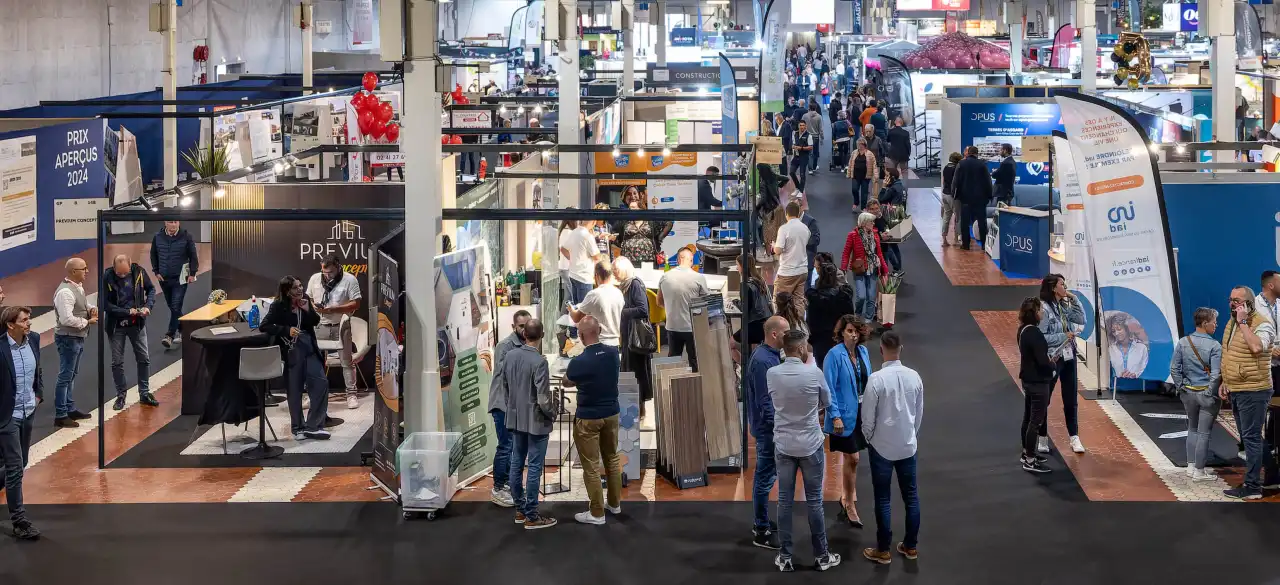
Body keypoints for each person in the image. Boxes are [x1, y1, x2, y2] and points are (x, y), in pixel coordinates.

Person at [767, 329, 841, 572]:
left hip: (784, 445)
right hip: (810, 444)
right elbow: (827, 403)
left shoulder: (772, 374)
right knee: (814, 501)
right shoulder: (814, 374)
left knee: (785, 501)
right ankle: (821, 556)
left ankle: (785, 556)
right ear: (800, 349)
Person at [861, 331, 923, 565]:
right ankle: (911, 546)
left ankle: (883, 550)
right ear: (901, 349)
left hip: (882, 448)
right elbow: (918, 414)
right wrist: (911, 435)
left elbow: (867, 418)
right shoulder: (915, 377)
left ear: (881, 350)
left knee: (883, 499)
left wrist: (870, 439)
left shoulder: (876, 380)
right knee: (912, 497)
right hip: (908, 446)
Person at [562, 316, 623, 525]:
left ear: (580, 335)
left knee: (591, 466)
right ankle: (614, 504)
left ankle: (597, 513)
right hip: (612, 413)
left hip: (588, 417)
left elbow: (567, 380)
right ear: (599, 330)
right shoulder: (614, 353)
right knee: (612, 459)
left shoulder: (579, 361)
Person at [1219, 286, 1276, 499]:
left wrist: (1243, 322)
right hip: (1237, 387)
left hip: (1255, 389)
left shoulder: (1263, 324)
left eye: (1237, 300)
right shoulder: (1231, 322)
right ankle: (1274, 477)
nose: (1232, 304)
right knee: (1249, 437)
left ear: (1249, 303)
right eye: (1230, 299)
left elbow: (1256, 348)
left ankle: (1252, 488)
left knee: (1250, 437)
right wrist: (1225, 380)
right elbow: (1229, 353)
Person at [261, 276, 331, 440]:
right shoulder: (278, 305)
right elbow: (265, 325)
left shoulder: (305, 299)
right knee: (295, 389)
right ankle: (298, 428)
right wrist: (286, 330)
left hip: (309, 345)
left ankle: (313, 426)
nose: (300, 290)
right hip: (292, 349)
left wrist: (307, 310)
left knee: (321, 382)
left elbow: (315, 320)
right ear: (287, 291)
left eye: (300, 286)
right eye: (295, 288)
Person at [502, 319, 557, 528]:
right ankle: (532, 516)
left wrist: (513, 408)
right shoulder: (539, 361)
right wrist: (552, 413)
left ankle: (520, 509)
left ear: (524, 334)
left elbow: (505, 387)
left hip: (516, 419)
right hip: (536, 421)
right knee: (534, 467)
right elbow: (543, 398)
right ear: (541, 336)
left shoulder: (510, 355)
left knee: (517, 463)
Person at [823, 314, 871, 527]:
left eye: (856, 331)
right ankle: (849, 502)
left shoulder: (863, 352)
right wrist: (835, 416)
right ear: (842, 332)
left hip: (863, 411)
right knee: (854, 458)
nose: (853, 335)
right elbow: (828, 388)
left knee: (852, 459)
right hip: (843, 414)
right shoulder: (834, 355)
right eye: (849, 331)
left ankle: (846, 496)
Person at [746, 316, 788, 550]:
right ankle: (761, 528)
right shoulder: (763, 362)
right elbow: (766, 401)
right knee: (765, 477)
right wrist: (777, 426)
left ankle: (760, 522)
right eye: (785, 332)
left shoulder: (767, 357)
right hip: (768, 431)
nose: (788, 336)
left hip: (768, 428)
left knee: (765, 476)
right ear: (774, 334)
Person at [0, 306, 41, 540]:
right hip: (8, 417)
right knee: (15, 467)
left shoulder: (33, 340)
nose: (29, 323)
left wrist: (39, 394)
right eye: (24, 320)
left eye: (29, 319)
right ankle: (19, 521)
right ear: (10, 325)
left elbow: (38, 371)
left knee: (21, 462)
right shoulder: (1, 348)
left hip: (28, 412)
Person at [1171, 308, 1222, 481]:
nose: (1216, 325)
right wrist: (1210, 392)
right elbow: (1216, 374)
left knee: (1192, 429)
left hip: (1188, 393)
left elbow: (1174, 368)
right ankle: (1200, 471)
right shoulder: (1215, 346)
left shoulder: (1183, 342)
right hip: (1207, 395)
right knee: (1204, 433)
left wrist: (1180, 387)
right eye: (1214, 322)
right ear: (1205, 323)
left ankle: (1191, 466)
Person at [487, 309, 531, 508]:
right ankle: (498, 487)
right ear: (514, 326)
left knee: (514, 447)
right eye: (521, 325)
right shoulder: (505, 346)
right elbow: (506, 375)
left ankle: (507, 485)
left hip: (516, 406)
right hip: (502, 404)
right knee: (505, 446)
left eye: (527, 325)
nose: (525, 329)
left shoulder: (526, 345)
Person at [102, 254, 157, 411]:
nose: (122, 276)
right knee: (117, 362)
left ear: (130, 265)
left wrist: (148, 306)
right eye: (119, 273)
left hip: (137, 324)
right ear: (113, 268)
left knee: (143, 359)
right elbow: (105, 304)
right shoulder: (107, 276)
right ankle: (121, 395)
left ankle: (144, 393)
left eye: (124, 273)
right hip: (116, 326)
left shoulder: (139, 272)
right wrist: (127, 311)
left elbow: (151, 289)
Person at [307, 254, 362, 410]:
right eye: (325, 272)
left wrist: (334, 309)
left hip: (341, 324)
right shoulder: (315, 279)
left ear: (338, 267)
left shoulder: (350, 280)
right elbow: (308, 297)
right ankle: (313, 395)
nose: (327, 275)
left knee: (346, 362)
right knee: (315, 362)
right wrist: (314, 306)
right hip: (318, 324)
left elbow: (356, 303)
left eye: (330, 272)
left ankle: (351, 394)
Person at [52, 258, 96, 427]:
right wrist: (87, 322)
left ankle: (70, 408)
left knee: (72, 375)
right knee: (65, 376)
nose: (87, 271)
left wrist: (90, 308)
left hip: (76, 337)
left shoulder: (77, 287)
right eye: (83, 268)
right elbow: (66, 319)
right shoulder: (65, 292)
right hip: (68, 338)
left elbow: (81, 304)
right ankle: (61, 414)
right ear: (73, 272)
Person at [1017, 297, 1055, 473]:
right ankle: (1030, 460)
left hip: (1028, 381)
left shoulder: (1023, 331)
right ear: (1035, 313)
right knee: (1035, 421)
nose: (1042, 313)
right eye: (1040, 310)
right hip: (1039, 383)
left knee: (1028, 418)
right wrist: (1052, 364)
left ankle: (1027, 453)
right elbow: (1043, 362)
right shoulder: (1036, 334)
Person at [658, 248, 709, 371]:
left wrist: (673, 306)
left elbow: (659, 302)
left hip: (672, 326)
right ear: (691, 261)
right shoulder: (699, 277)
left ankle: (672, 388)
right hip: (692, 326)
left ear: (677, 260)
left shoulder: (665, 277)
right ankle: (696, 386)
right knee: (695, 360)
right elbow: (705, 303)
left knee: (673, 362)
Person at [150, 220, 198, 349]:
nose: (174, 225)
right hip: (164, 278)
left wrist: (192, 273)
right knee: (173, 307)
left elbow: (193, 256)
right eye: (171, 222)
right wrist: (156, 271)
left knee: (176, 305)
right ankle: (184, 329)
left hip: (180, 278)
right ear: (165, 223)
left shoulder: (186, 236)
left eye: (176, 222)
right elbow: (153, 254)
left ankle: (169, 335)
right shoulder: (157, 237)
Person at [614, 258, 653, 415]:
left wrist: (621, 310)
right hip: (630, 336)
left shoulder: (634, 284)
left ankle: (637, 409)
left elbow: (643, 309)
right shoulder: (627, 285)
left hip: (636, 338)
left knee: (635, 372)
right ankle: (636, 409)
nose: (614, 274)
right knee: (633, 372)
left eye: (615, 271)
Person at [841, 212, 889, 323]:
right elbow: (846, 253)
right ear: (863, 223)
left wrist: (885, 269)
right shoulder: (852, 235)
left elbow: (879, 253)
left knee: (871, 297)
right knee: (861, 296)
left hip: (873, 269)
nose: (873, 223)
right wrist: (843, 268)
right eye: (871, 221)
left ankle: (868, 320)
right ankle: (857, 315)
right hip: (859, 269)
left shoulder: (875, 235)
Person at [805, 259, 854, 364]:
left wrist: (811, 340)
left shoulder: (814, 298)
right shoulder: (844, 297)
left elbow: (812, 322)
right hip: (840, 340)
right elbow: (850, 319)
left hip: (821, 341)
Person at [561, 218, 602, 336]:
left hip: (573, 273)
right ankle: (583, 334)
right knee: (585, 308)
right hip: (584, 276)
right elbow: (597, 256)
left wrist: (573, 259)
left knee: (576, 306)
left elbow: (563, 249)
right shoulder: (587, 236)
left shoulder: (574, 232)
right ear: (593, 222)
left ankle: (574, 333)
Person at [569, 260, 624, 347]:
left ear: (597, 276)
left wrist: (571, 310)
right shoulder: (619, 293)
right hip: (615, 342)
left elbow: (576, 318)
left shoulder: (594, 294)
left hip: (599, 342)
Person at [614, 186, 672, 266]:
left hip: (649, 261)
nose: (631, 210)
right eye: (630, 208)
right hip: (628, 262)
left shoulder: (650, 218)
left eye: (634, 208)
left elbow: (668, 223)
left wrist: (659, 239)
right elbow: (616, 235)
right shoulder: (624, 220)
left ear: (640, 209)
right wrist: (618, 241)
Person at [772, 201, 811, 314]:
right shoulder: (805, 228)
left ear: (786, 214)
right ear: (798, 213)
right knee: (798, 301)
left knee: (779, 301)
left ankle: (782, 326)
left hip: (787, 272)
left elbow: (778, 250)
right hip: (802, 271)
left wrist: (774, 246)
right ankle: (799, 326)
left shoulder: (784, 229)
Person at [952, 146, 994, 250]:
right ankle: (984, 244)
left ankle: (965, 244)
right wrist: (990, 195)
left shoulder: (961, 164)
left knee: (965, 222)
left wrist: (954, 195)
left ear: (968, 153)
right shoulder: (982, 165)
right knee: (981, 222)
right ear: (976, 154)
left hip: (965, 198)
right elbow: (988, 182)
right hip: (980, 199)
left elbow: (955, 181)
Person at [1106, 313, 1149, 379]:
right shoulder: (1110, 349)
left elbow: (1146, 369)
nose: (1116, 333)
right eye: (1113, 331)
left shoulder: (1142, 348)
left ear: (1127, 328)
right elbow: (1107, 372)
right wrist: (1117, 376)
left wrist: (1135, 375)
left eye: (1119, 329)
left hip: (1139, 386)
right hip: (1117, 387)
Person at [848, 138, 879, 210]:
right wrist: (849, 173)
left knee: (864, 193)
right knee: (854, 189)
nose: (859, 146)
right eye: (858, 144)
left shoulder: (870, 154)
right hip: (855, 175)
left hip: (865, 176)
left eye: (860, 144)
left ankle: (863, 207)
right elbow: (850, 163)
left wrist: (876, 175)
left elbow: (874, 165)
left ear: (864, 145)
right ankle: (856, 202)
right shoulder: (854, 153)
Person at [940, 152, 963, 247]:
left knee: (946, 217)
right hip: (953, 195)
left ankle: (944, 239)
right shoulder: (956, 169)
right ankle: (957, 239)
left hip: (945, 194)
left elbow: (944, 180)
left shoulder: (946, 167)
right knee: (958, 217)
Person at [800, 198, 821, 291]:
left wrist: (800, 241)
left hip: (806, 262)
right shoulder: (788, 221)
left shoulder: (810, 221)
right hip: (792, 264)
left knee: (805, 290)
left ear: (801, 208)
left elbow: (815, 240)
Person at [789, 120, 814, 193]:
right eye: (800, 125)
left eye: (803, 125)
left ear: (806, 126)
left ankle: (801, 191)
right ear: (798, 126)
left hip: (804, 157)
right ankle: (798, 187)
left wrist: (802, 148)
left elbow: (810, 147)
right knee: (791, 172)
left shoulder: (809, 135)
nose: (802, 127)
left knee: (802, 174)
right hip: (796, 156)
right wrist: (793, 146)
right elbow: (793, 143)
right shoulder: (795, 134)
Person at [802, 104, 824, 174]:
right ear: (816, 108)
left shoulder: (805, 116)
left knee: (809, 153)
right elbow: (821, 129)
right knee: (815, 152)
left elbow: (801, 125)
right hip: (815, 137)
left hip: (806, 136)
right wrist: (822, 137)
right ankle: (814, 167)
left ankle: (810, 169)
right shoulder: (819, 116)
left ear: (809, 108)